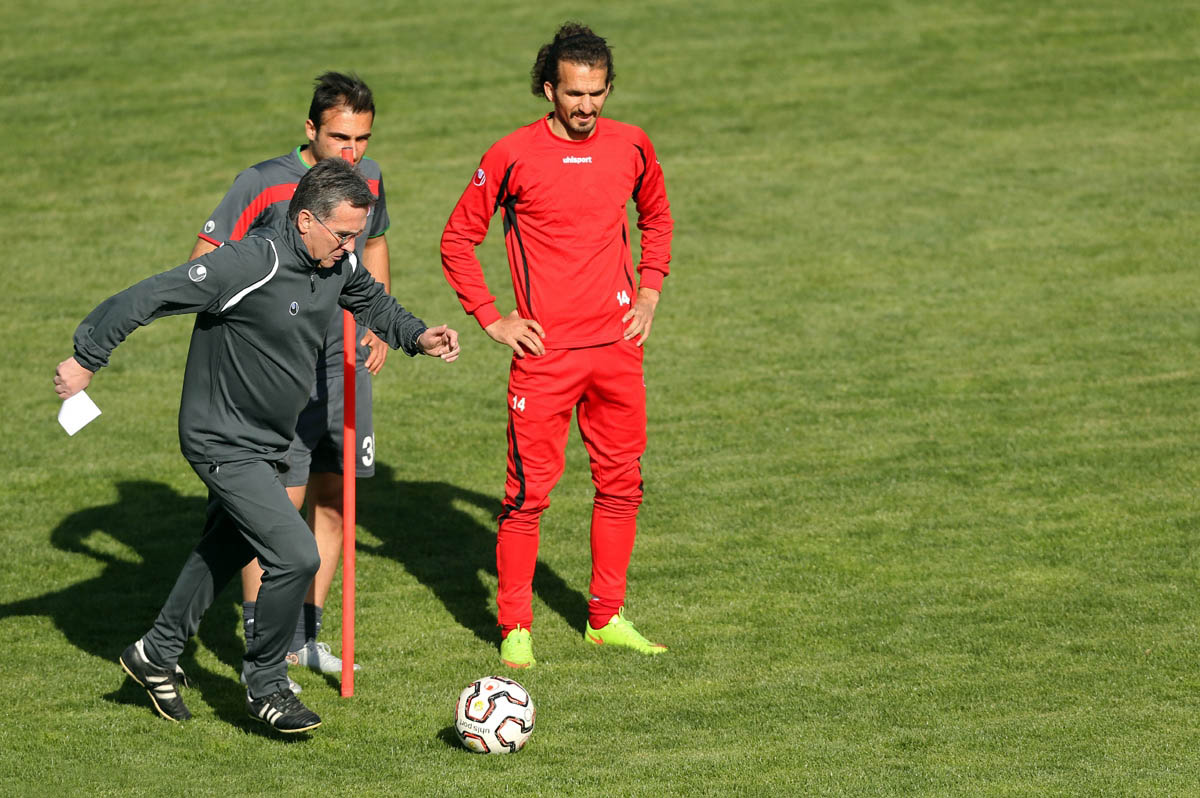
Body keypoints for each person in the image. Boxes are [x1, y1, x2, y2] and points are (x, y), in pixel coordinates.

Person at [55, 159, 460, 731]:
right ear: (304, 220)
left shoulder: (334, 263)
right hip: (221, 437)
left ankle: (155, 652)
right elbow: (150, 295)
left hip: (269, 439)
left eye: (356, 236)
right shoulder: (250, 261)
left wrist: (418, 336)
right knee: (296, 555)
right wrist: (85, 358)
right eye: (343, 234)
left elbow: (371, 300)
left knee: (225, 546)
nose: (351, 247)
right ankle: (266, 685)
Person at [440, 22, 674, 668]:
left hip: (618, 350)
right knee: (526, 496)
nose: (586, 107)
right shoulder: (511, 154)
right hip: (544, 359)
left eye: (597, 93)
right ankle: (516, 625)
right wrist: (491, 318)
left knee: (622, 485)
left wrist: (649, 294)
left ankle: (605, 618)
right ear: (549, 89)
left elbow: (656, 217)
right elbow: (458, 238)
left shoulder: (632, 146)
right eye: (574, 94)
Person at [190, 72, 388, 681]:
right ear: (310, 130)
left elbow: (373, 243)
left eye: (361, 139)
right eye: (339, 138)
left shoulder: (370, 178)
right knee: (276, 506)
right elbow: (205, 262)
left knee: (334, 497)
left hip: (342, 364)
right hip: (275, 373)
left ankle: (306, 635)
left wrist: (376, 318)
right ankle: (263, 636)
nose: (351, 152)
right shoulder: (261, 182)